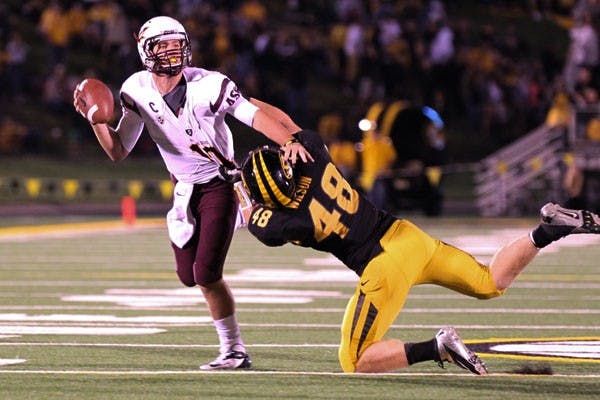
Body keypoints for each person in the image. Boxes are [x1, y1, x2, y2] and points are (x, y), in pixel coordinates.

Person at [238, 101, 600, 374]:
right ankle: (546, 231)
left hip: (383, 266)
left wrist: (242, 192)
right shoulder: (314, 154)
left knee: (354, 360)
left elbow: (253, 216)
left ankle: (437, 347)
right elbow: (283, 122)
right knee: (491, 281)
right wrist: (242, 103)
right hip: (408, 236)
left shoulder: (284, 222)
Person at [73, 16, 313, 370]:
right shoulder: (136, 89)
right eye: (163, 46)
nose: (171, 52)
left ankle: (234, 350)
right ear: (145, 49)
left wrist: (288, 139)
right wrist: (96, 121)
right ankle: (232, 347)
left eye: (176, 44)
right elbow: (117, 150)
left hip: (220, 183)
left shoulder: (209, 85)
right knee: (189, 276)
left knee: (206, 274)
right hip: (183, 190)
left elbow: (251, 115)